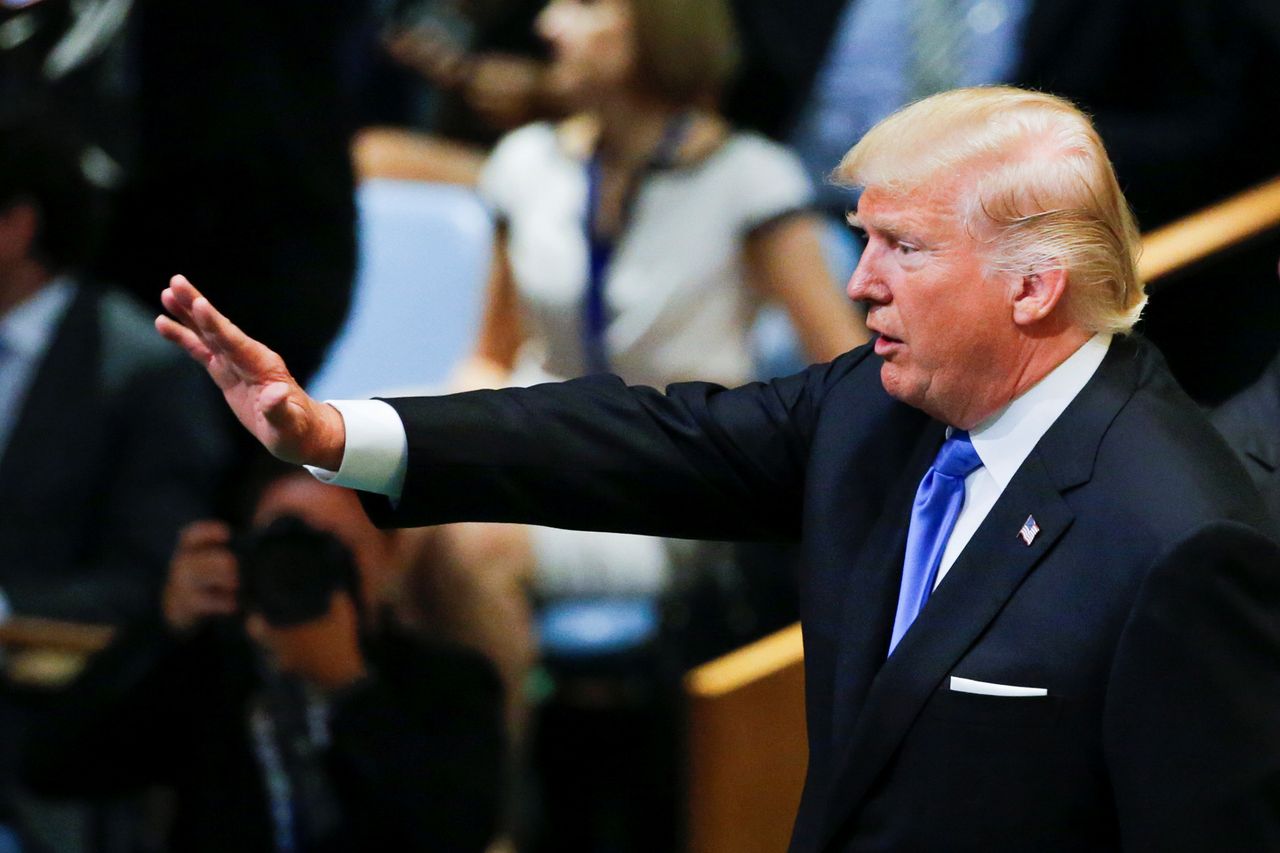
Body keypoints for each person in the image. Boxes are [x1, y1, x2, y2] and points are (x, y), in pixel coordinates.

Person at [157, 86, 1280, 850]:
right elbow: (643, 441)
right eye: (862, 239)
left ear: (1031, 286)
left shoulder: (1181, 538)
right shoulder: (874, 411)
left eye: (904, 248)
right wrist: (334, 434)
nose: (857, 284)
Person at [24, 467, 507, 853]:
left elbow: (454, 833)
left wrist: (350, 688)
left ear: (388, 560)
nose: (303, 570)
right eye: (281, 546)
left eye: (331, 549)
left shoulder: (450, 680)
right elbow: (54, 768)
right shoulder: (210, 667)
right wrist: (165, 628)